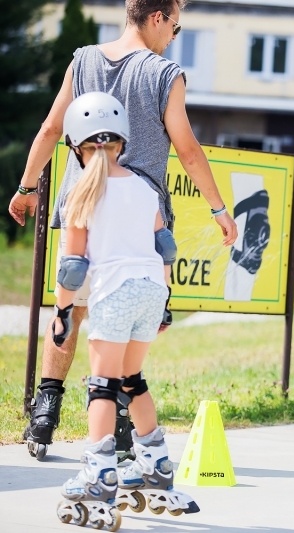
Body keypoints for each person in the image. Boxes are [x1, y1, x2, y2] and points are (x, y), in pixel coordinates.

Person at [8, 0, 237, 462]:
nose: (174, 34)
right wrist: (218, 209)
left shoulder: (84, 59)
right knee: (134, 313)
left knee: (70, 304)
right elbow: (188, 149)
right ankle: (125, 416)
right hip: (137, 215)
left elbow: (52, 127)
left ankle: (46, 410)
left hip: (83, 206)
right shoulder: (164, 73)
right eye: (175, 24)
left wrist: (27, 186)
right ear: (157, 18)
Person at [54, 92, 198, 530]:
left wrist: (61, 313)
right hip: (151, 289)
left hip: (114, 295)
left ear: (77, 145)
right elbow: (166, 246)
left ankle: (99, 474)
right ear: (122, 142)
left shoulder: (80, 192)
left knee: (102, 384)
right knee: (132, 381)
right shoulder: (142, 186)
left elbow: (74, 266)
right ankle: (155, 466)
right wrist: (165, 302)